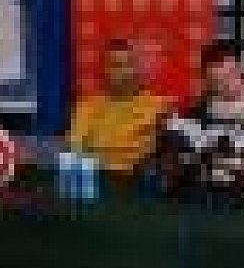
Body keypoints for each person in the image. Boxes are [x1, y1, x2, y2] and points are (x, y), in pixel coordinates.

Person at [155, 40, 244, 199]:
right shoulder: (188, 118)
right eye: (223, 77)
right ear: (208, 79)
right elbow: (171, 167)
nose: (230, 83)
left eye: (233, 73)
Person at [66, 39, 169, 176]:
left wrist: (100, 155)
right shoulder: (86, 106)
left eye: (128, 65)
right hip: (89, 178)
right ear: (104, 71)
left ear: (139, 70)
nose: (123, 72)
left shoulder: (156, 108)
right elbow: (74, 149)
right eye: (115, 65)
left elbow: (141, 156)